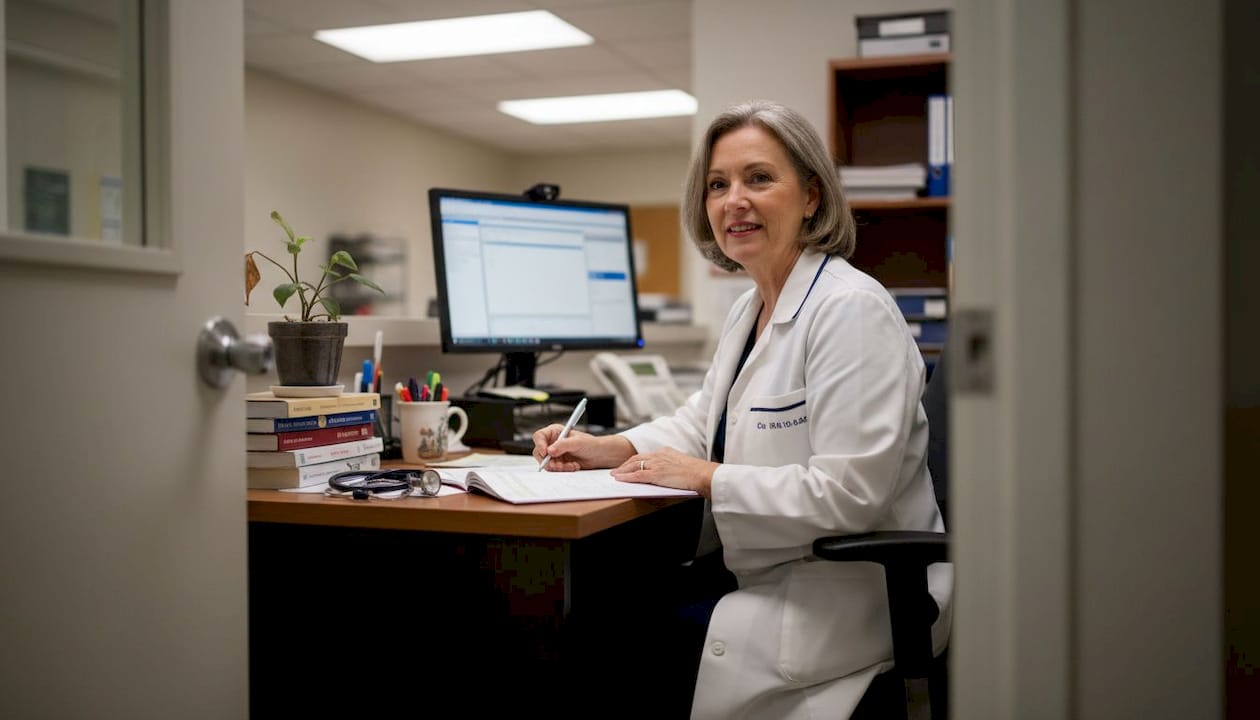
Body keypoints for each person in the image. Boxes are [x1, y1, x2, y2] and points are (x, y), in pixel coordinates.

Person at [532, 100, 953, 719]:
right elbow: (708, 417)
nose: (735, 200)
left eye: (759, 178)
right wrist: (616, 445)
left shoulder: (849, 310)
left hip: (848, 593)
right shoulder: (750, 307)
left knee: (603, 642)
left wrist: (704, 476)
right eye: (718, 185)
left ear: (811, 195)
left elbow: (850, 495)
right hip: (773, 571)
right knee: (590, 610)